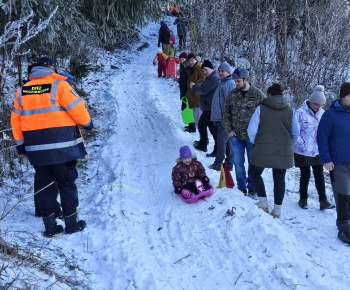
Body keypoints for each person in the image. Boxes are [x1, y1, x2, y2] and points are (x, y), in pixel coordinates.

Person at [11, 57, 93, 237]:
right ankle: (71, 224)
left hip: (36, 149)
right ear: (51, 69)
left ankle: (50, 228)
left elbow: (15, 121)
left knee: (44, 185)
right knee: (66, 184)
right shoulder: (59, 85)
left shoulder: (22, 91)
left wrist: (20, 146)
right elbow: (77, 109)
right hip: (63, 148)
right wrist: (88, 124)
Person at [248, 83, 300, 218]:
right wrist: (288, 144)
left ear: (269, 95)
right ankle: (277, 211)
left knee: (254, 173)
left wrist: (257, 142)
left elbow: (251, 130)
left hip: (262, 147)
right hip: (284, 149)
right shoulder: (290, 110)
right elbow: (296, 132)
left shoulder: (261, 109)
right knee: (279, 178)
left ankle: (263, 203)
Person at [224, 68, 265, 197]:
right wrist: (229, 130)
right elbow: (226, 113)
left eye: (238, 81)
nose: (236, 84)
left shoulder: (258, 95)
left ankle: (252, 186)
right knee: (238, 162)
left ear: (245, 80)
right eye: (235, 81)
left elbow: (265, 115)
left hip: (252, 137)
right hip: (235, 136)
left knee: (253, 163)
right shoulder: (232, 95)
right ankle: (241, 187)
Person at [317, 82, 350, 244]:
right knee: (343, 195)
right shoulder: (330, 114)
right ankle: (344, 226)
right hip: (338, 163)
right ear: (343, 96)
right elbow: (322, 137)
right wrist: (326, 159)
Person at [294, 85, 335, 210]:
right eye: (316, 104)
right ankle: (303, 199)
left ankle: (323, 201)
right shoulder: (300, 113)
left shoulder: (322, 113)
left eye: (320, 105)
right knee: (305, 174)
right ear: (310, 101)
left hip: (317, 150)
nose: (318, 107)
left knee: (319, 174)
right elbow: (294, 132)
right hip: (302, 150)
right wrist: (303, 145)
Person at [209, 62, 236, 168]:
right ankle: (229, 164)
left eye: (223, 71)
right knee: (227, 142)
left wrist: (227, 120)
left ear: (228, 72)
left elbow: (231, 103)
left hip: (225, 119)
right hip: (222, 118)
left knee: (221, 141)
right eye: (219, 71)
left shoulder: (229, 84)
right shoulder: (223, 82)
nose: (220, 73)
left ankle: (218, 164)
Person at [190, 60, 220, 153]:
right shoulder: (210, 77)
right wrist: (201, 84)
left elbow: (204, 90)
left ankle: (217, 150)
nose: (204, 72)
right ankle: (203, 145)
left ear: (211, 68)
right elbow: (206, 88)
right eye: (203, 71)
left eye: (206, 70)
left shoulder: (214, 78)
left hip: (211, 109)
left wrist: (194, 87)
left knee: (213, 130)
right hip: (207, 108)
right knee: (201, 125)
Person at [185, 53, 205, 133]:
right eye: (189, 61)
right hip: (193, 99)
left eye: (192, 60)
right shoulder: (191, 70)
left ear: (196, 60)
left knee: (200, 122)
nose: (190, 62)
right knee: (197, 122)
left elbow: (203, 83)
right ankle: (201, 140)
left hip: (198, 100)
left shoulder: (200, 69)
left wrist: (197, 94)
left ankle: (204, 141)